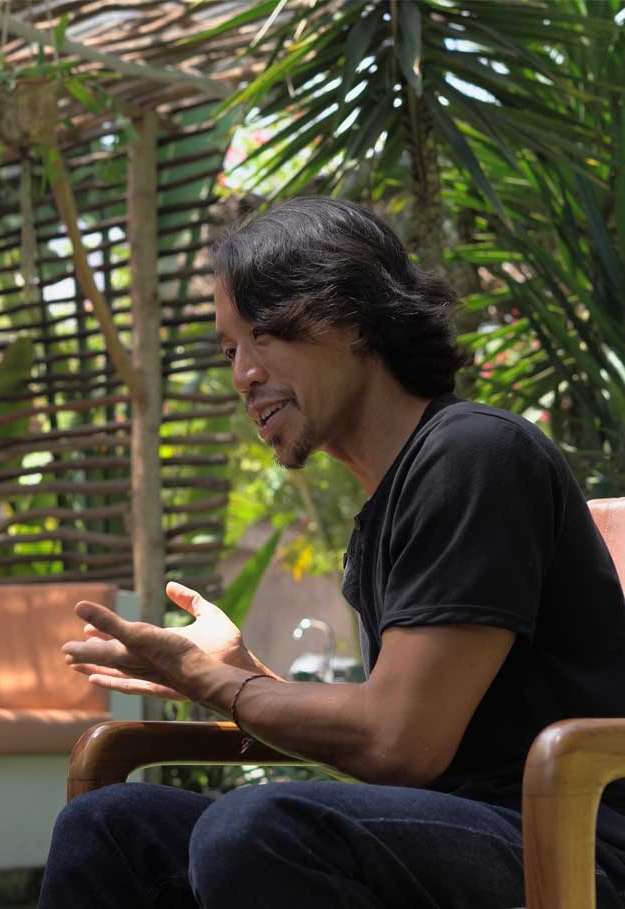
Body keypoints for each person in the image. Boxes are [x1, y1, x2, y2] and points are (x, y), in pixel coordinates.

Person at [39, 197, 625, 909]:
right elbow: (392, 731)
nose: (242, 375)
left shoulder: (475, 455)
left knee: (251, 830)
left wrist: (214, 683)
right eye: (230, 352)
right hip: (455, 831)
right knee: (109, 827)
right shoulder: (387, 510)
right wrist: (243, 675)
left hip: (572, 844)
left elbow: (401, 743)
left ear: (350, 312)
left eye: (262, 334)